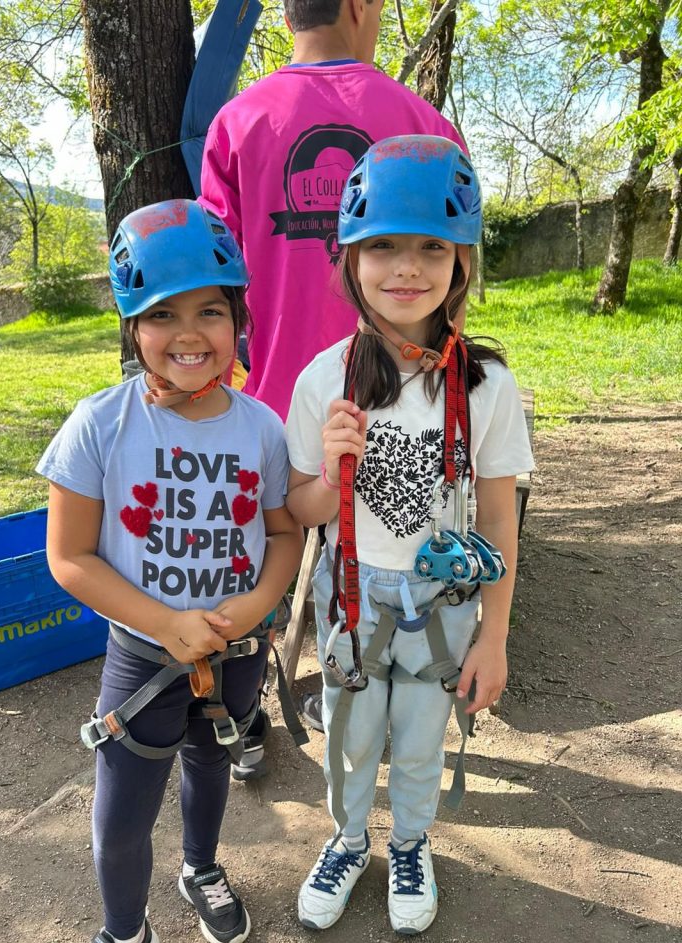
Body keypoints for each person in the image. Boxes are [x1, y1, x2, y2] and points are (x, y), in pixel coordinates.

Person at [37, 199, 303, 943]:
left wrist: (256, 605)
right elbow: (69, 556)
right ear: (132, 326)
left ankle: (200, 868)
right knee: (120, 812)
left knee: (212, 764)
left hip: (236, 654)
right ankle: (124, 935)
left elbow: (283, 531)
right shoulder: (100, 425)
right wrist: (164, 624)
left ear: (238, 319)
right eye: (161, 314)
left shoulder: (261, 428)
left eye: (210, 311)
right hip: (143, 659)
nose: (189, 334)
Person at [200, 0, 466, 755]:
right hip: (402, 400)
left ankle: (239, 714)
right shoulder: (423, 123)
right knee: (399, 559)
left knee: (253, 564)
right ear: (359, 5)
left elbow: (218, 285)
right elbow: (454, 272)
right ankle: (400, 706)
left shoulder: (237, 123)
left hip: (274, 404)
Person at [285, 136, 534, 935]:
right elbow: (302, 512)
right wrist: (330, 471)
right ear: (351, 259)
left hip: (444, 605)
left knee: (423, 741)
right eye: (384, 246)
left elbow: (498, 518)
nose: (407, 268)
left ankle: (410, 844)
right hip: (354, 599)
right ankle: (348, 839)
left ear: (462, 261)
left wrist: (494, 638)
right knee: (351, 737)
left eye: (432, 247)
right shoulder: (324, 380)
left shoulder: (487, 385)